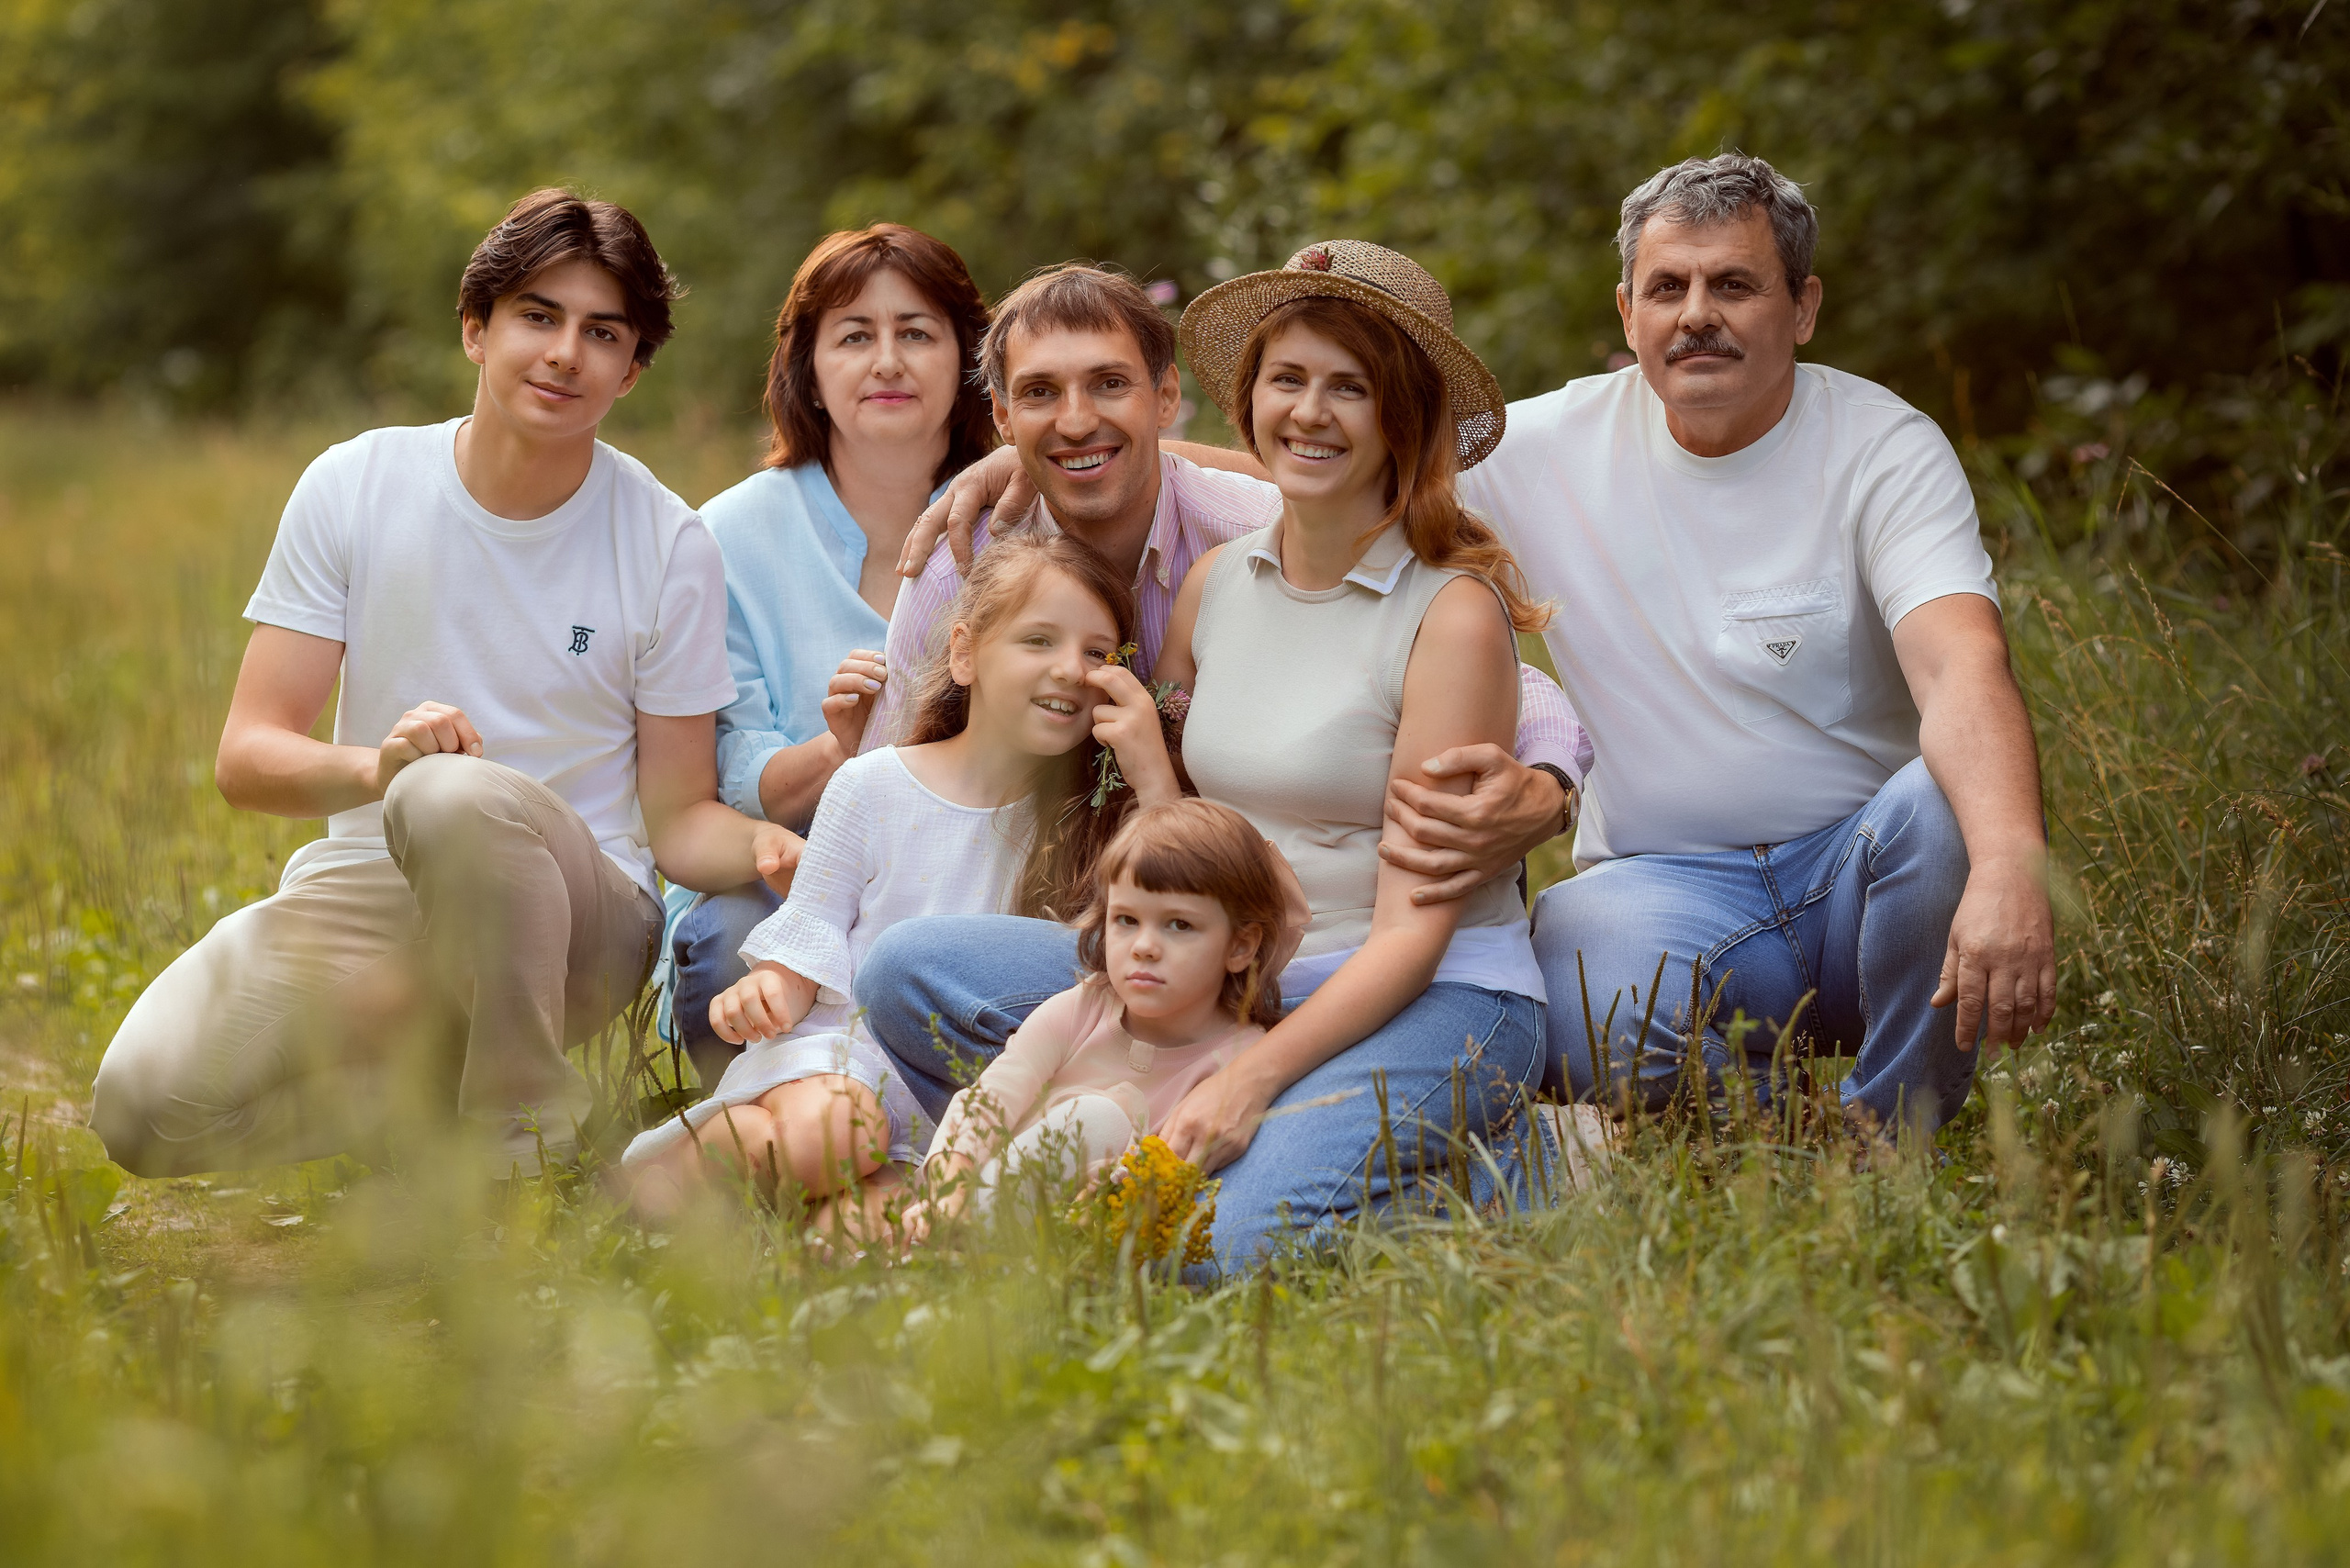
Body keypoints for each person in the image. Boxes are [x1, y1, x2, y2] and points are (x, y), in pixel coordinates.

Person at [906, 153, 2054, 1139]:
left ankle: (1895, 1132)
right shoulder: (1548, 449)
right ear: (1627, 312)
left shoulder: (1881, 447)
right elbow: (1331, 467)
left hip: (1855, 865)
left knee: (1944, 811)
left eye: (1734, 284)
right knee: (1583, 984)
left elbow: (1962, 666)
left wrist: (2010, 862)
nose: (1696, 313)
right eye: (1668, 287)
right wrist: (1055, 449)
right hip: (1665, 882)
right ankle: (1770, 1129)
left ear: (1801, 307)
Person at [87, 189, 792, 1177]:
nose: (565, 354)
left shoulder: (668, 541)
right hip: (370, 889)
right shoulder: (355, 484)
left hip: (580, 921)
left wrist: (769, 844)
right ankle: (428, 1124)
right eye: (538, 316)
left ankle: (522, 1145)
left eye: (601, 333)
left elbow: (675, 820)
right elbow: (247, 757)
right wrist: (379, 770)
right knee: (142, 1109)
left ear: (631, 370)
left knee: (451, 795)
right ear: (475, 329)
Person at [853, 262, 1591, 1122]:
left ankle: (1188, 1115)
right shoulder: (989, 562)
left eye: (1109, 385)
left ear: (1165, 399)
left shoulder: (1264, 523)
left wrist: (1549, 785)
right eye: (1041, 393)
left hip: (1370, 965)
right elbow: (891, 787)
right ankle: (1141, 1107)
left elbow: (1496, 674)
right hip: (1197, 950)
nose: (1077, 420)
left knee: (1230, 1197)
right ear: (1004, 418)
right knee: (908, 971)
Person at [621, 534, 1159, 1228]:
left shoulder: (1091, 821)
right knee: (839, 1133)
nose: (1070, 670)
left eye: (1097, 654)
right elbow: (815, 920)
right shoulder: (874, 784)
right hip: (841, 1056)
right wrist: (774, 984)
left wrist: (1149, 775)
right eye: (1038, 640)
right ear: (965, 653)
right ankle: (669, 1179)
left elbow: (1169, 906)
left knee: (875, 1240)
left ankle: (803, 1219)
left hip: (950, 1094)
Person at [665, 223, 996, 1089]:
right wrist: (841, 748)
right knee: (730, 939)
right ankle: (770, 1126)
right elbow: (727, 775)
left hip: (973, 864)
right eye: (853, 336)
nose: (887, 362)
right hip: (785, 868)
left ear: (969, 362)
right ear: (808, 371)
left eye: (916, 333)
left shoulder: (1018, 522)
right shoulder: (727, 532)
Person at [908, 799, 1301, 1238]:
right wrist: (952, 1186)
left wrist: (1115, 1197)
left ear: (1240, 946)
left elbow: (1178, 1174)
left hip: (1086, 1230)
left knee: (1102, 1121)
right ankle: (944, 1229)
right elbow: (993, 1099)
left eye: (1179, 925)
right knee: (1065, 1116)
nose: (1144, 946)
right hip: (986, 1186)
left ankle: (960, 1244)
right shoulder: (1084, 1006)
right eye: (1127, 919)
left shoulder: (1240, 1059)